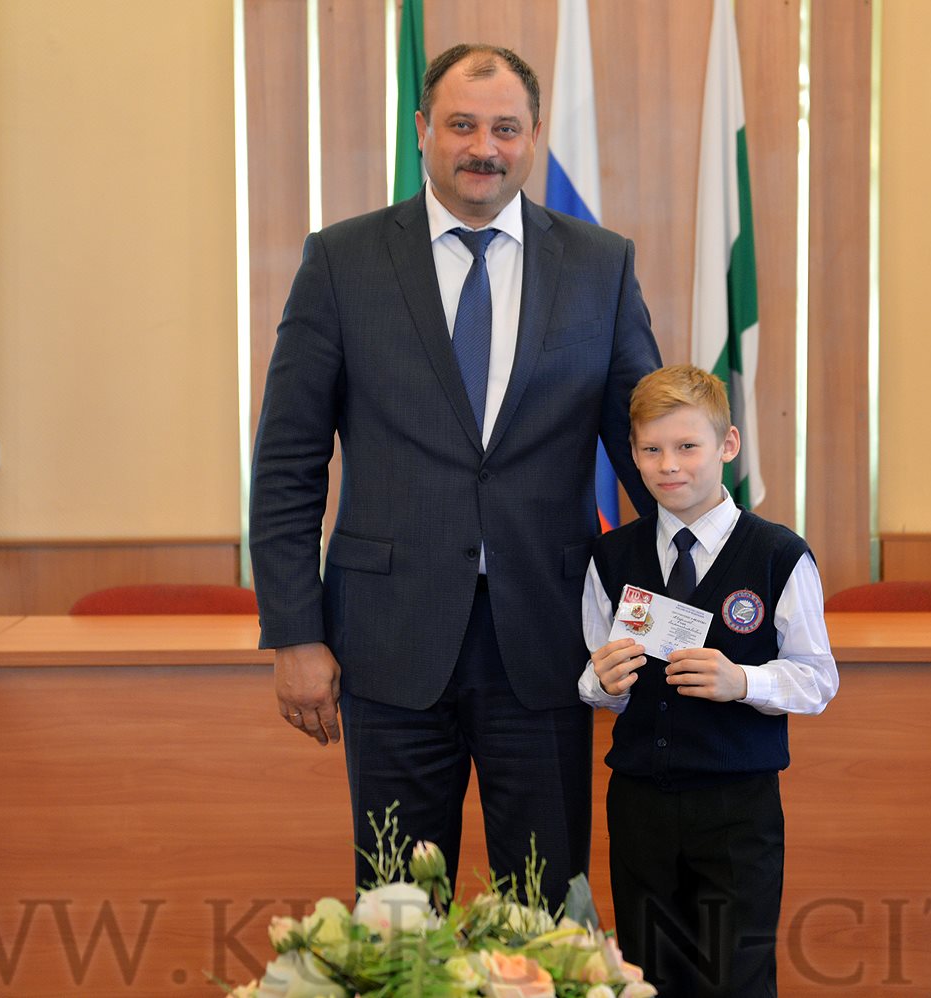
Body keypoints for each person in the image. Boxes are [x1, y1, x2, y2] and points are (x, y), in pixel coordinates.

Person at [249, 42, 661, 907]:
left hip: (548, 639)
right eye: (462, 125)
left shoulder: (600, 265)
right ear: (423, 130)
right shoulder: (342, 262)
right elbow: (288, 464)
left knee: (546, 913)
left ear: (534, 135)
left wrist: (719, 579)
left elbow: (650, 454)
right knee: (396, 914)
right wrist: (294, 633)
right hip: (386, 642)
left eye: (505, 128)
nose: (484, 148)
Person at [579, 364, 838, 996]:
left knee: (735, 979)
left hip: (735, 809)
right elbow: (594, 676)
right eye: (651, 450)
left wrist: (742, 681)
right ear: (632, 453)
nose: (669, 465)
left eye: (687, 446)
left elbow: (816, 679)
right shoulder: (611, 557)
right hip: (640, 804)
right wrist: (602, 683)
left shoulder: (778, 555)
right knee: (647, 975)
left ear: (727, 445)